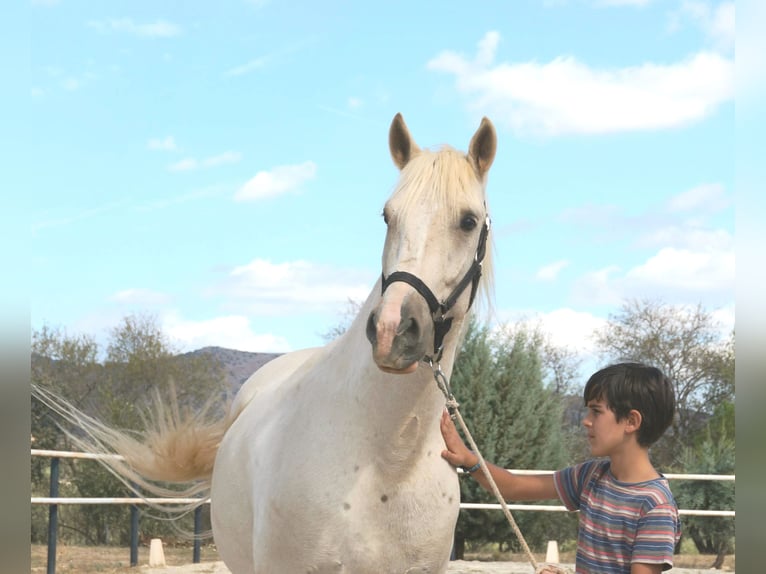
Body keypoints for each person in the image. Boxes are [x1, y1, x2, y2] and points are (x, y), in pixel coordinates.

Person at [440, 362, 681, 574]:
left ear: (631, 421)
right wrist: (469, 459)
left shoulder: (655, 506)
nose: (586, 420)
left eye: (596, 411)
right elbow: (513, 487)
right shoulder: (590, 476)